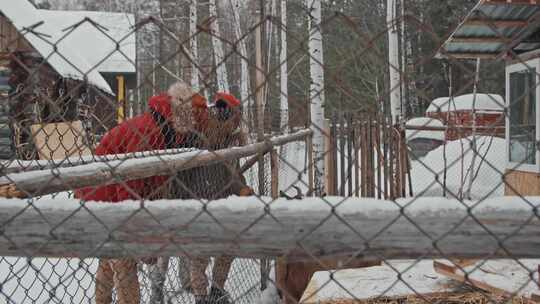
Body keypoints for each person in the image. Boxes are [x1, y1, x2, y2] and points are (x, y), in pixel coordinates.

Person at [75, 81, 208, 304]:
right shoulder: (150, 132)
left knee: (110, 258)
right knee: (125, 261)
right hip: (105, 195)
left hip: (111, 196)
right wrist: (138, 238)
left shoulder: (167, 129)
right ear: (184, 112)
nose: (197, 122)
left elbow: (155, 181)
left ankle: (102, 300)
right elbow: (128, 187)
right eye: (195, 117)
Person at [169, 92, 252, 304]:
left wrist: (241, 188)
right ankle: (201, 297)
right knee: (200, 255)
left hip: (220, 201)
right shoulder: (201, 136)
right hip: (198, 200)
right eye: (234, 116)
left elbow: (229, 172)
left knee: (226, 249)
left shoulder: (226, 139)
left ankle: (215, 290)